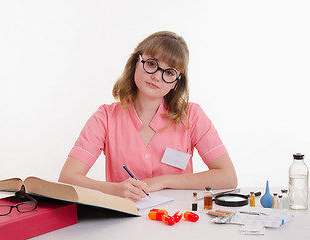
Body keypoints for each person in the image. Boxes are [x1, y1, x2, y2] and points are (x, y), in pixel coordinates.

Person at [59, 31, 237, 202]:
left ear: (177, 82)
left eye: (169, 73)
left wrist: (163, 181)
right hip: (123, 222)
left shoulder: (192, 115)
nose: (157, 76)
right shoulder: (105, 117)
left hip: (177, 221)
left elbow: (228, 176)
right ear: (136, 62)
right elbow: (67, 178)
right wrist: (114, 190)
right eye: (151, 64)